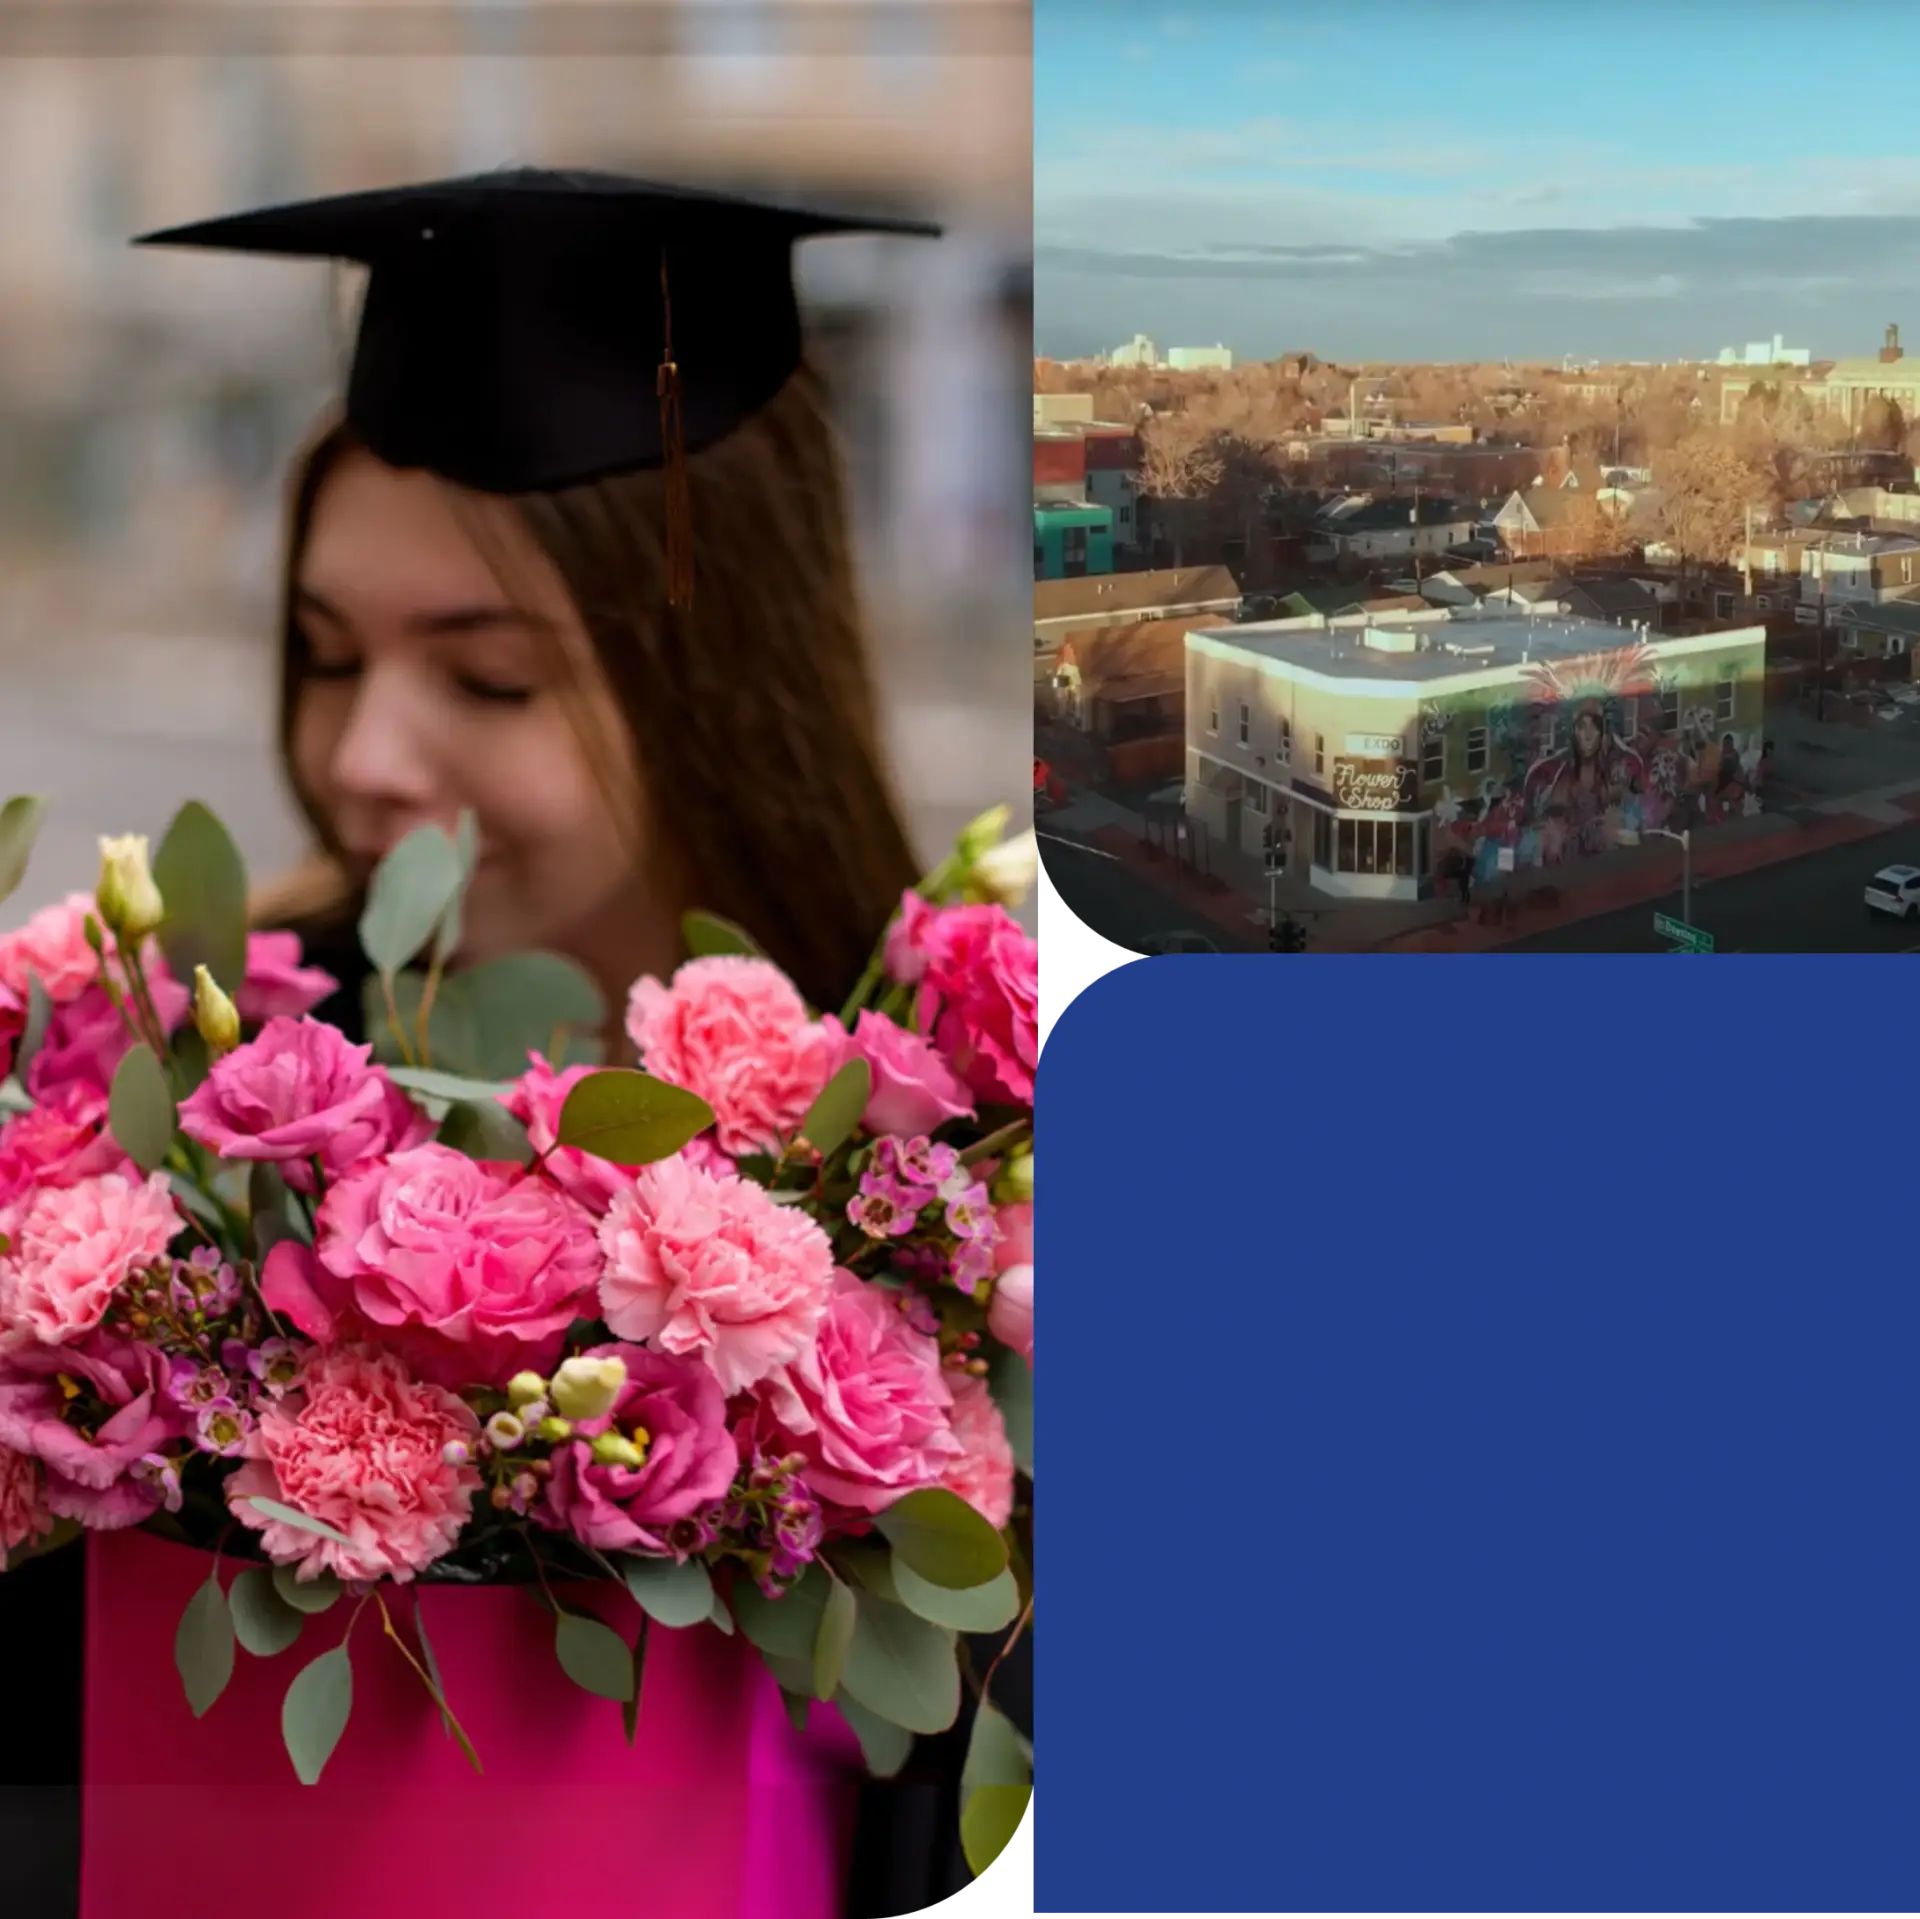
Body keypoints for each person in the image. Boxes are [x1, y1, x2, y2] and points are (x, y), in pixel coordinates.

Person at [3, 167, 1030, 1919]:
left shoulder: (954, 1150)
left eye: (486, 679)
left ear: (720, 674)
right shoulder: (199, 1086)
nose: (364, 758)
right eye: (325, 655)